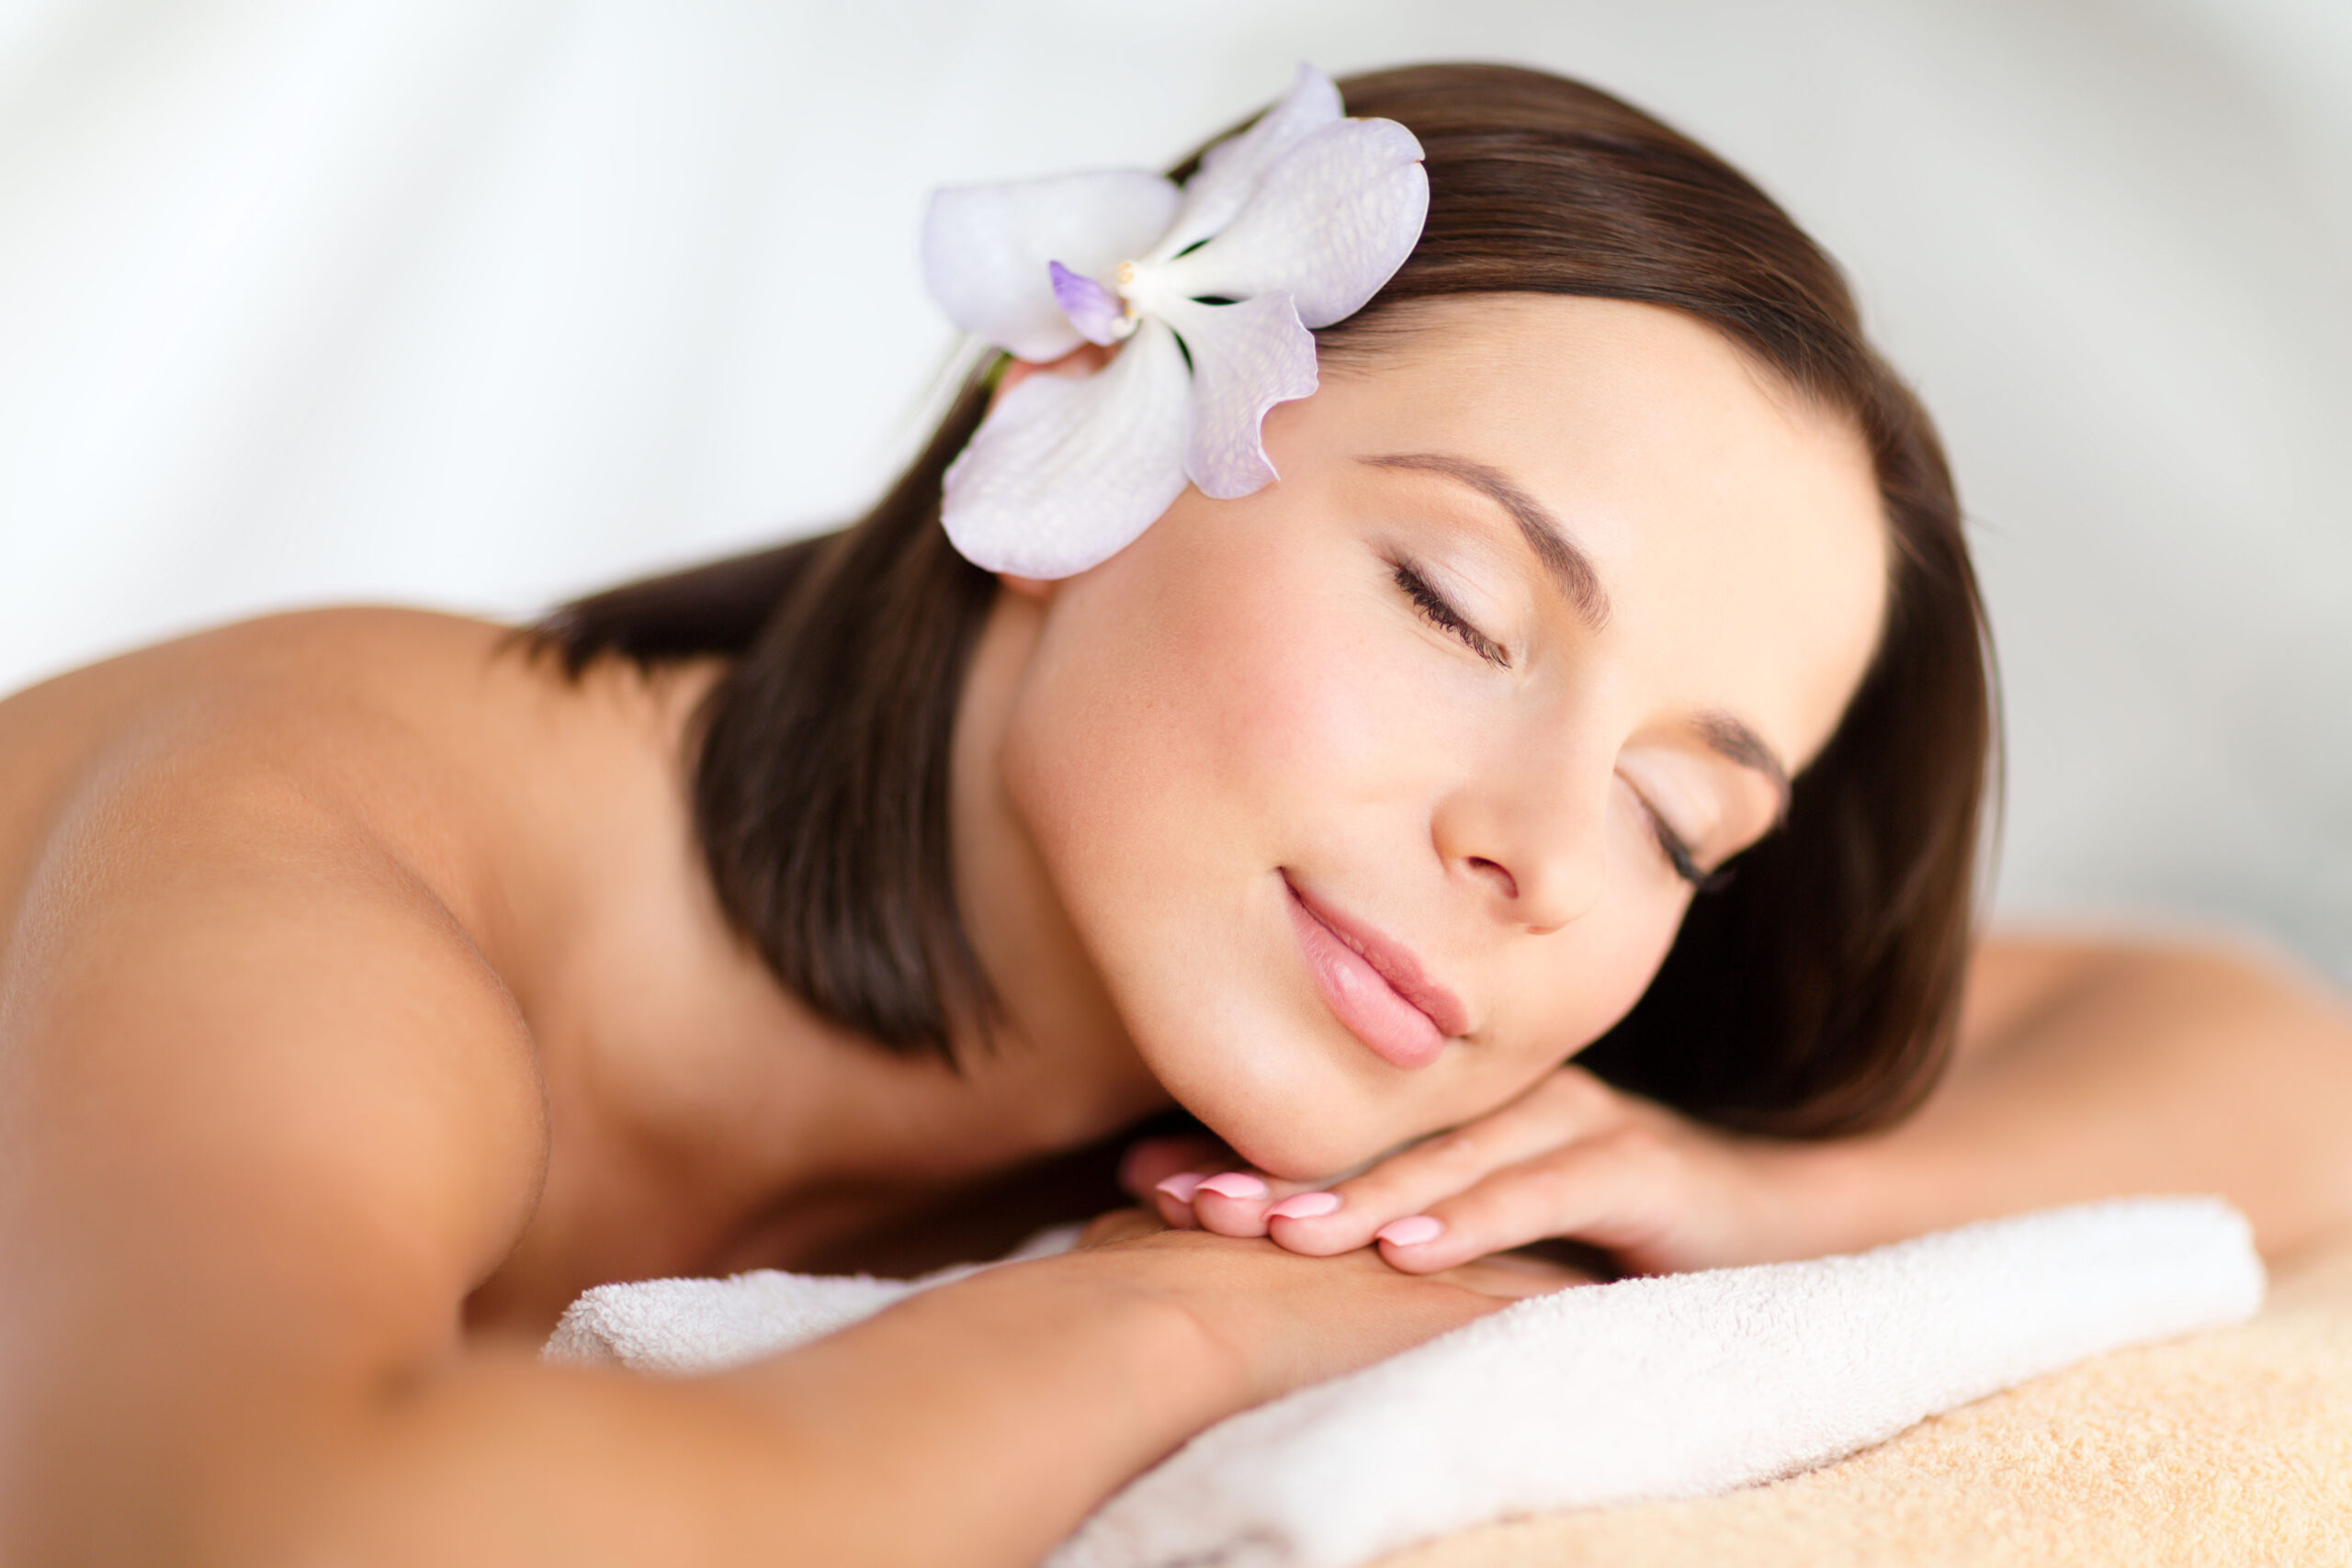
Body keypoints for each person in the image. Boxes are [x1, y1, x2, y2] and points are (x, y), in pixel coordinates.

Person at [2, 61, 2346, 1566]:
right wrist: (1174, 1336)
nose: (1539, 846)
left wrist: (1753, 1189)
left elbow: (2260, 1045)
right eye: (1452, 598)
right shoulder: (333, 835)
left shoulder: (1335, 976)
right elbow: (224, 1522)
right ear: (1078, 409)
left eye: (1677, 816)